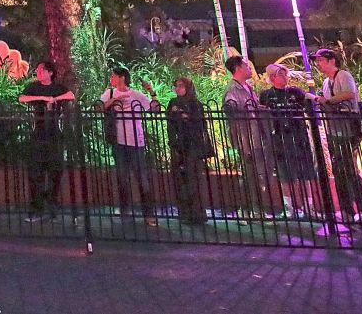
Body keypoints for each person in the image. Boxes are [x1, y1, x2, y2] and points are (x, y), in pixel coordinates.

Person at [313, 48, 362, 223]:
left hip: (348, 128)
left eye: (321, 60)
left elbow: (349, 93)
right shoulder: (326, 82)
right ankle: (347, 209)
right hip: (334, 129)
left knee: (349, 169)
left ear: (332, 60)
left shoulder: (343, 76)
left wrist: (328, 101)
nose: (318, 64)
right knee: (340, 170)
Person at [222, 54, 280, 219]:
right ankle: (249, 209)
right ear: (239, 68)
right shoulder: (233, 89)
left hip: (255, 136)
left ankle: (255, 209)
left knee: (257, 174)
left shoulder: (247, 87)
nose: (249, 68)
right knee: (250, 174)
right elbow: (230, 108)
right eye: (246, 65)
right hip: (246, 137)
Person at [258, 64, 318, 218]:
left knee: (305, 172)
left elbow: (308, 98)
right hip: (279, 138)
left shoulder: (295, 92)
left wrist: (317, 98)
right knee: (285, 174)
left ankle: (308, 208)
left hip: (299, 136)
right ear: (273, 78)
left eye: (286, 74)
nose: (286, 77)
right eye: (281, 74)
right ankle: (289, 208)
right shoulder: (266, 95)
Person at [18, 61, 74, 223]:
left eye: (41, 70)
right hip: (39, 131)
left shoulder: (58, 87)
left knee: (55, 171)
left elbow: (71, 95)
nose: (38, 72)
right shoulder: (34, 87)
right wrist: (42, 98)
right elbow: (22, 98)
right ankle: (37, 208)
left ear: (50, 72)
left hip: (55, 132)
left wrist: (54, 99)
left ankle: (52, 207)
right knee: (36, 172)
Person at [100, 66, 156, 224]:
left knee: (141, 177)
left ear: (122, 77)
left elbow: (154, 109)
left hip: (136, 141)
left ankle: (148, 212)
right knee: (122, 177)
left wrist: (151, 91)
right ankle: (125, 209)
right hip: (118, 141)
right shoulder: (110, 93)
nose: (111, 78)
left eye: (113, 76)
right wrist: (113, 101)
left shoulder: (135, 94)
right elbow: (97, 108)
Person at [166, 77, 212, 226]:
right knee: (180, 178)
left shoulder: (195, 104)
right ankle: (184, 211)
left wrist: (186, 117)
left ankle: (197, 212)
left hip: (193, 144)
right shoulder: (173, 103)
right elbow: (170, 122)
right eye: (176, 86)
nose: (178, 88)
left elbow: (200, 124)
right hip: (178, 144)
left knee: (193, 178)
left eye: (181, 86)